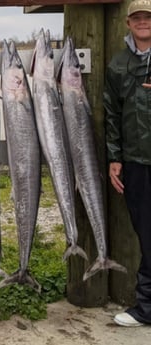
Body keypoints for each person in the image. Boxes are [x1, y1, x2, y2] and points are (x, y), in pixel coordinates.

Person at [104, 0, 151, 328]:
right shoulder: (117, 64)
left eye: (148, 17)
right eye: (137, 17)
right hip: (136, 162)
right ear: (128, 23)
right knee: (146, 234)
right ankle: (147, 307)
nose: (143, 22)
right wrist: (115, 158)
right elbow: (112, 114)